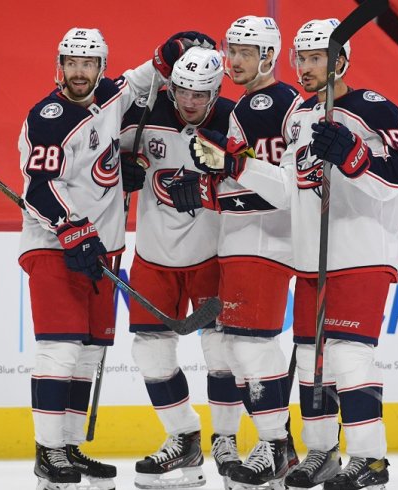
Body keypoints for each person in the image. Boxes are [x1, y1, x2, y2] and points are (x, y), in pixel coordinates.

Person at [189, 18, 398, 490]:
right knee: (313, 362)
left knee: (348, 358)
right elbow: (288, 188)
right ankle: (322, 452)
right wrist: (235, 165)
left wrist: (355, 158)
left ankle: (371, 459)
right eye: (302, 58)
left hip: (362, 252)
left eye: (318, 58)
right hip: (313, 259)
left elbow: (396, 178)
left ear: (341, 61)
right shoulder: (300, 118)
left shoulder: (374, 108)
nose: (307, 68)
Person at [18, 27, 211, 490]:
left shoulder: (112, 95)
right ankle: (48, 452)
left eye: (87, 64)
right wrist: (71, 228)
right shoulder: (48, 116)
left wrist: (169, 52)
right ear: (58, 65)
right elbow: (38, 188)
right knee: (60, 349)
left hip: (103, 250)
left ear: (100, 67)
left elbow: (146, 77)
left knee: (88, 354)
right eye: (70, 63)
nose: (78, 73)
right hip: (55, 246)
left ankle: (67, 448)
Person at [178, 15, 306, 490]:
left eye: (244, 53)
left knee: (251, 346)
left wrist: (228, 169)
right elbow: (235, 178)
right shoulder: (245, 106)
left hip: (266, 240)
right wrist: (202, 186)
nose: (232, 61)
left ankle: (276, 447)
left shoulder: (284, 104)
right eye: (231, 51)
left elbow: (289, 186)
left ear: (269, 56)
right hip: (239, 239)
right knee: (239, 347)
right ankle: (278, 446)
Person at [117, 44, 238, 490]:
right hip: (154, 256)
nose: (189, 102)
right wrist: (121, 168)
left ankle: (225, 438)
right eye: (182, 91)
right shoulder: (146, 113)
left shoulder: (232, 119)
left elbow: (257, 174)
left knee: (222, 351)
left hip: (212, 254)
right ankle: (182, 438)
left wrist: (212, 181)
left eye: (199, 95)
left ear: (216, 91)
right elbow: (100, 142)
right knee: (149, 352)